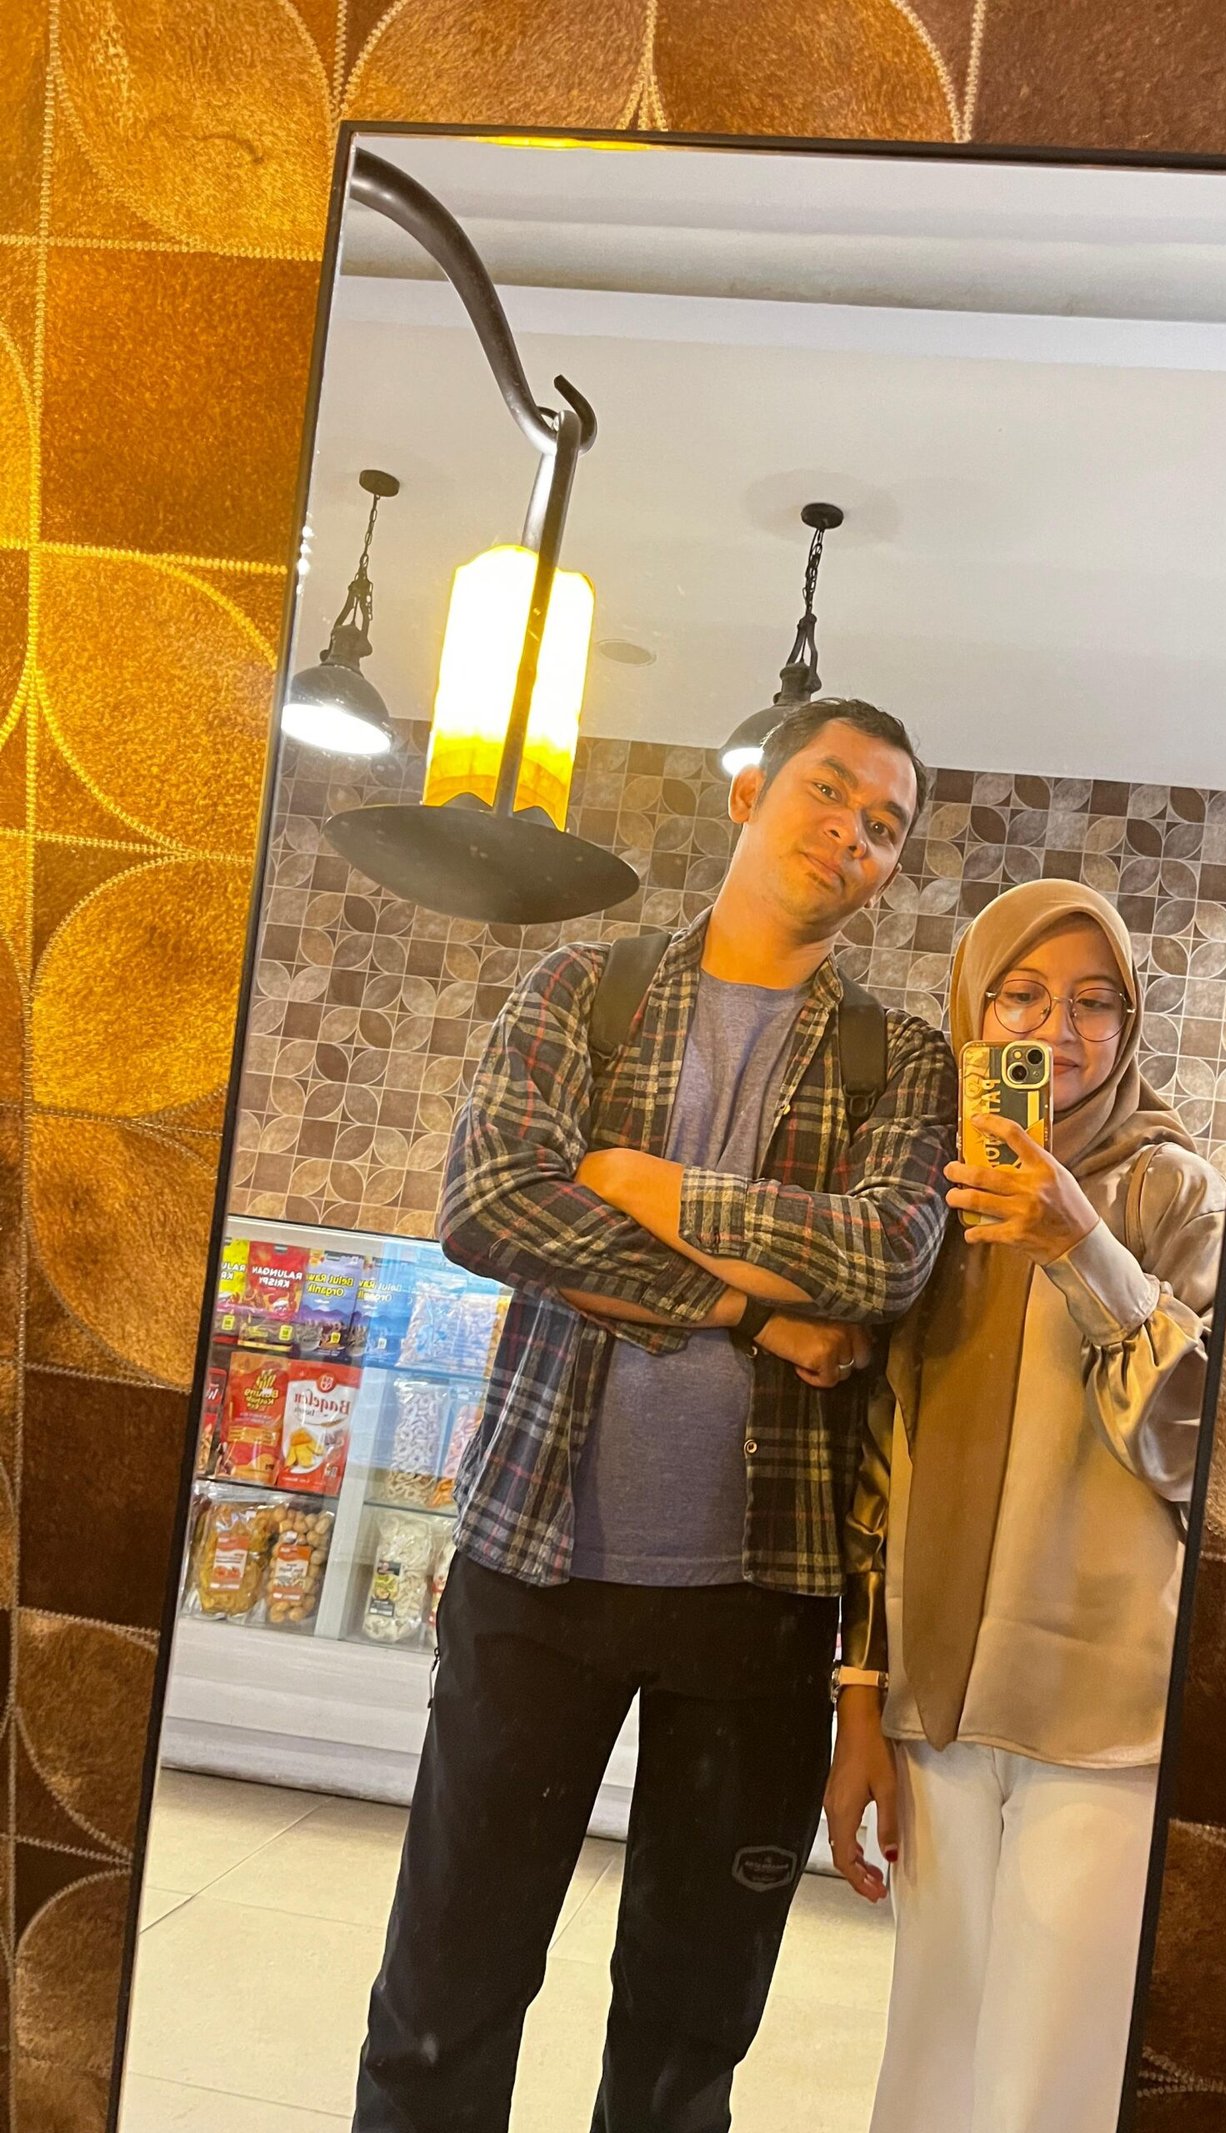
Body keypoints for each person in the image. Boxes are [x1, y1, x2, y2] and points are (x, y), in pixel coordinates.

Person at [354, 698, 957, 2133]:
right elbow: (491, 1205)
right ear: (750, 792)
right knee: (445, 1992)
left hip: (764, 1599)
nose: (850, 834)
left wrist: (637, 1182)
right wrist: (748, 1309)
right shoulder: (585, 987)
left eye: (884, 827)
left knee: (691, 2033)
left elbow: (885, 1256)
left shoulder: (899, 1056)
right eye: (829, 792)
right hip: (533, 1563)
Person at [824, 877, 1226, 2133]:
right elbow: (882, 1465)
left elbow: (1199, 1448)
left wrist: (1079, 1245)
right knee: (929, 2074)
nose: (1059, 1030)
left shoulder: (1168, 1193)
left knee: (1045, 2090)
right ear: (973, 1013)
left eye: (1095, 1003)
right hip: (936, 1708)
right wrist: (860, 1706)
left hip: (1100, 1717)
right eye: (1023, 997)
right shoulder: (929, 1196)